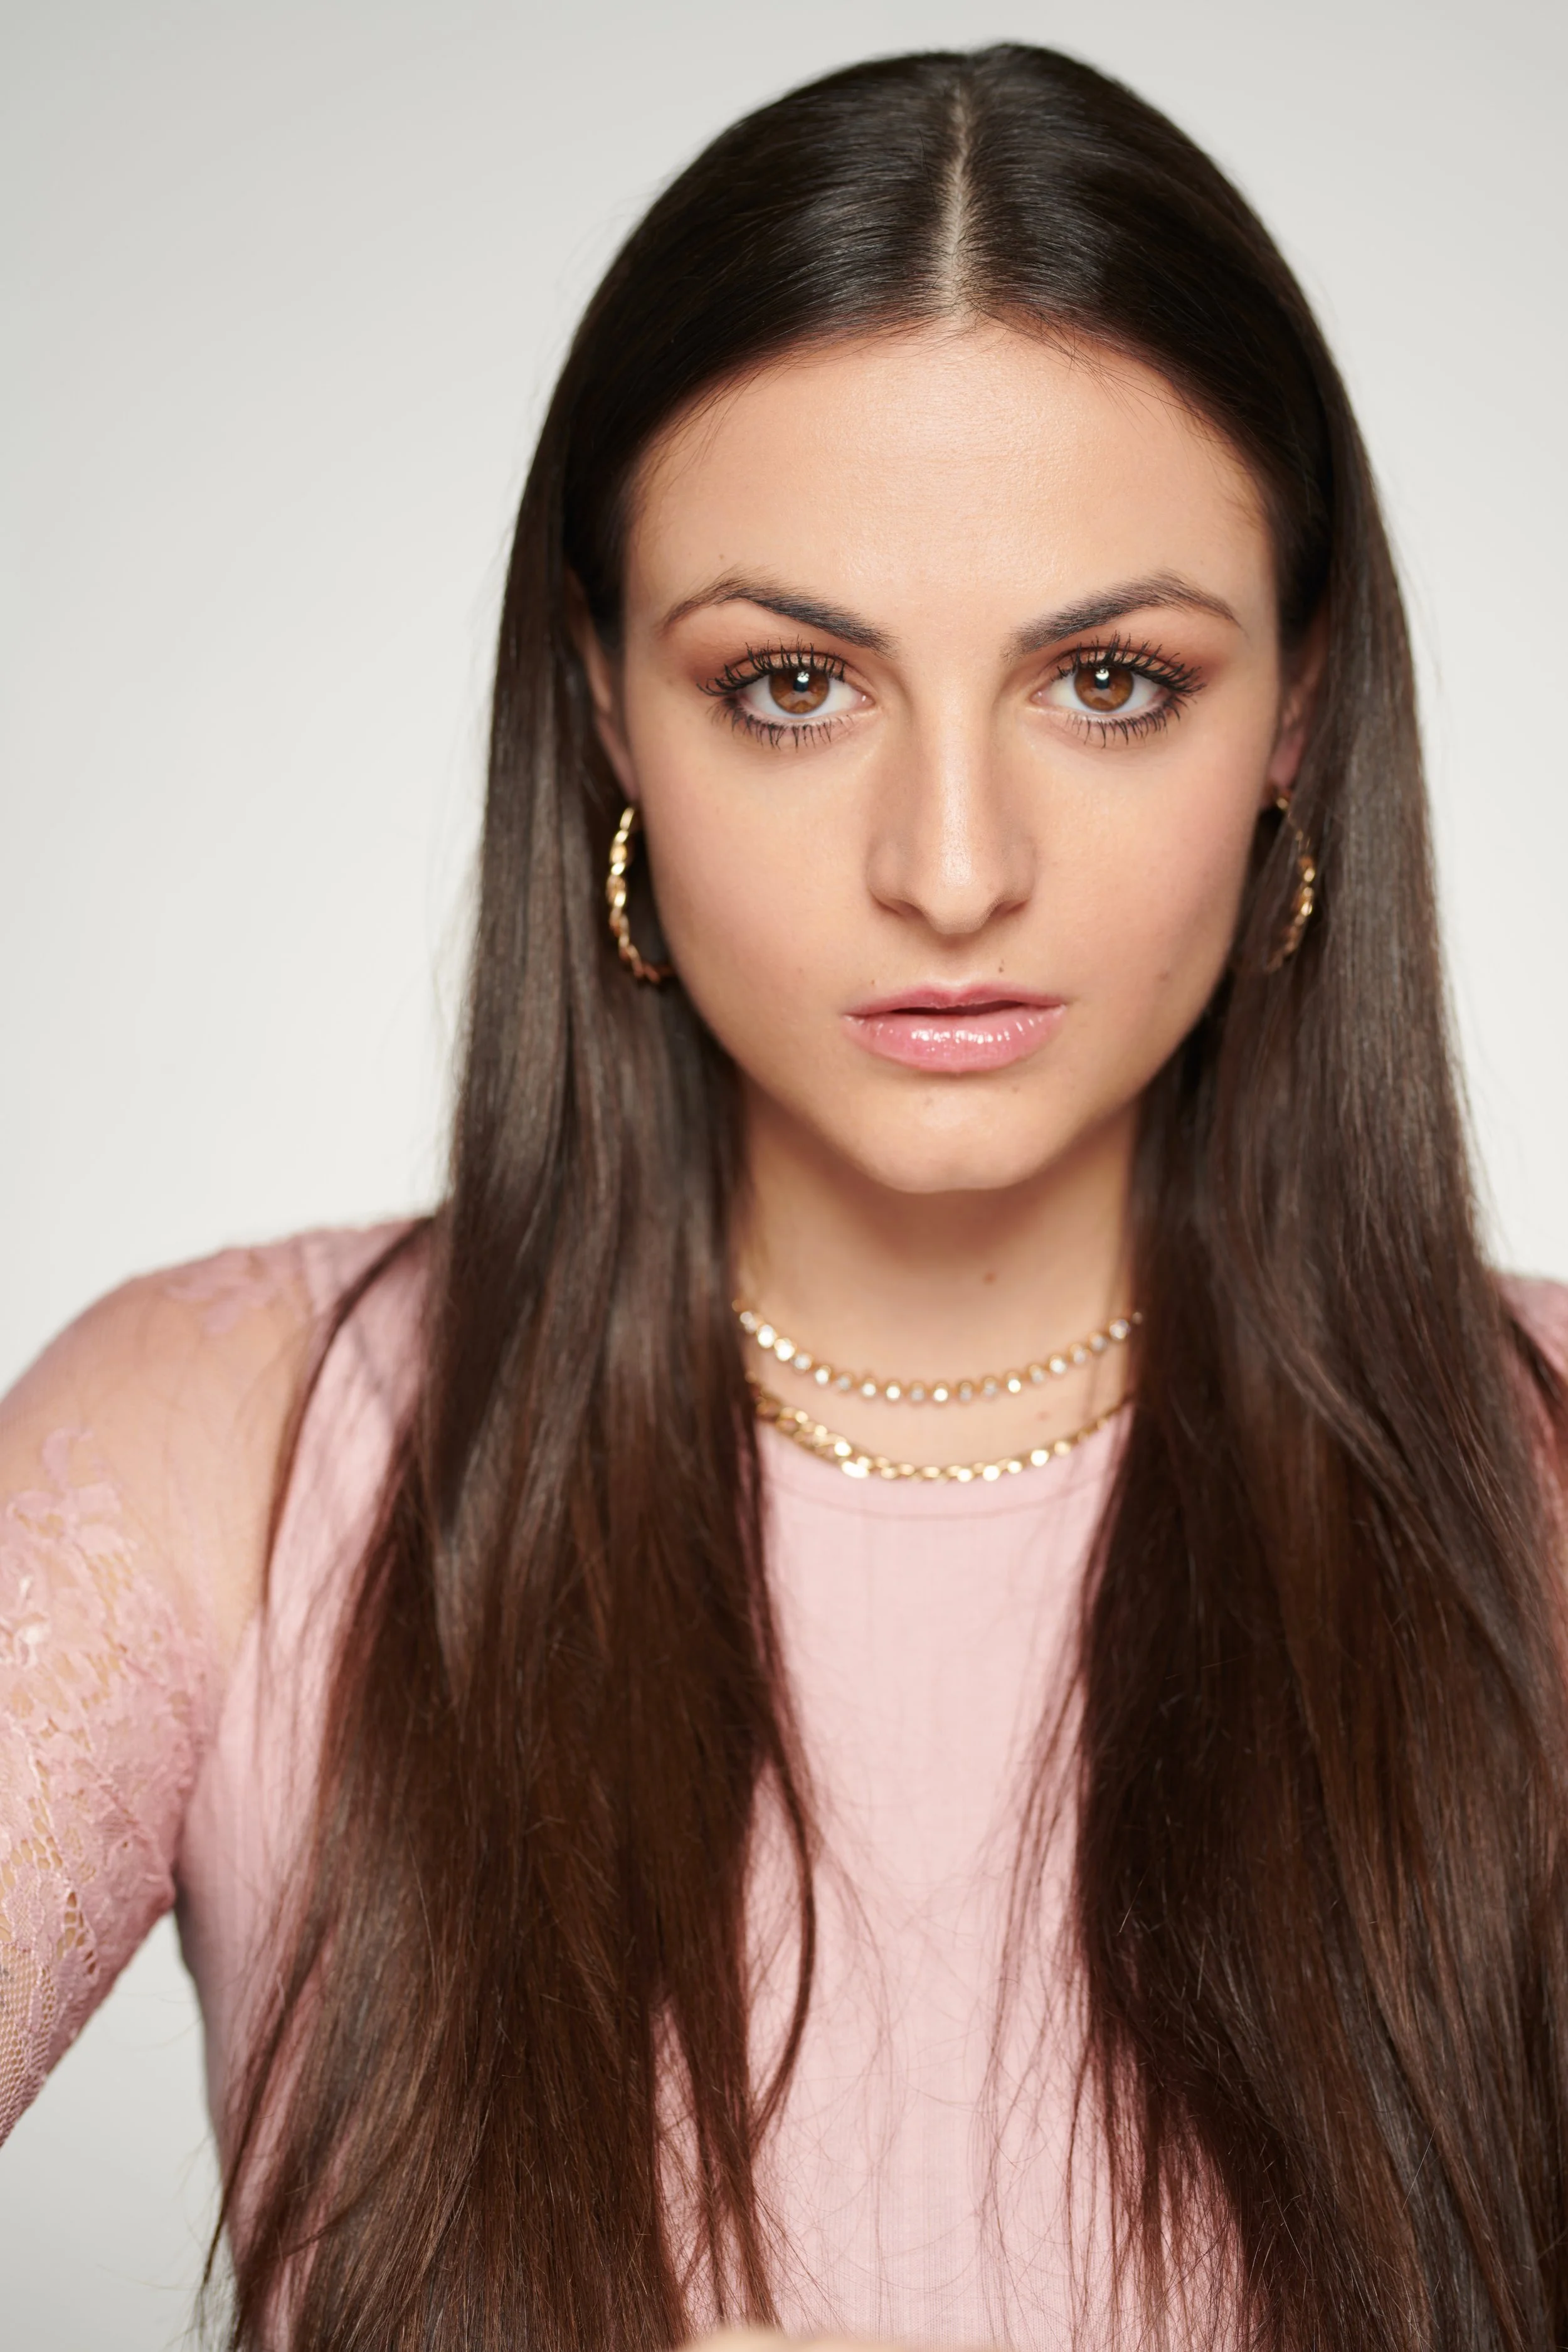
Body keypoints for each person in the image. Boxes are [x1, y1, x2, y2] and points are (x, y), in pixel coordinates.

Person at [3, 39, 1565, 2352]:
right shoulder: (213, 1451)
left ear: (1300, 715)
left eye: (1110, 679)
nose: (952, 869)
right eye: (796, 682)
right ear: (611, 707)